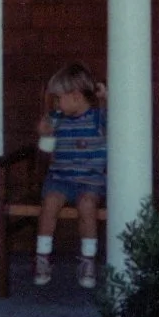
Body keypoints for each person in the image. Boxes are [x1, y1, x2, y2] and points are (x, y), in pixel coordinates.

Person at [33, 61, 107, 290]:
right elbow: (45, 151)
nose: (56, 103)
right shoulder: (57, 119)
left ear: (76, 96)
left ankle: (88, 261)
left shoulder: (97, 119)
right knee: (50, 203)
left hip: (89, 181)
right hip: (60, 179)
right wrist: (44, 133)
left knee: (87, 206)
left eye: (59, 98)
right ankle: (43, 257)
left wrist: (105, 99)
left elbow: (115, 118)